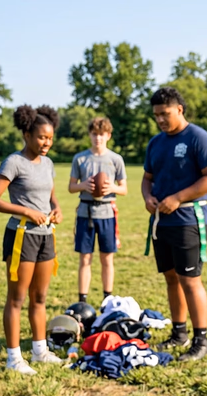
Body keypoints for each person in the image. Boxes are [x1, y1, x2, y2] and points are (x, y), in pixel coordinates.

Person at [142, 87, 207, 362]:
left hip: (189, 219)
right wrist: (147, 197)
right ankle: (179, 333)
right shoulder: (155, 142)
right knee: (171, 278)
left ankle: (201, 339)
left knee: (190, 279)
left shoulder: (198, 138)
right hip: (161, 221)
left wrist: (177, 197)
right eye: (156, 115)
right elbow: (147, 178)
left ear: (179, 109)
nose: (161, 120)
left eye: (165, 114)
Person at [0, 104, 64, 375]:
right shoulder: (14, 162)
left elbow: (50, 196)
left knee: (39, 297)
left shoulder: (49, 164)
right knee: (16, 298)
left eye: (50, 138)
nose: (47, 143)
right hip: (21, 236)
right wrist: (27, 211)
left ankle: (40, 351)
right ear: (27, 134)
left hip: (46, 236)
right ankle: (14, 358)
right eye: (42, 137)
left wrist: (57, 209)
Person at [68, 117, 127, 304]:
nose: (98, 138)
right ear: (89, 135)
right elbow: (71, 187)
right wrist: (83, 185)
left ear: (108, 136)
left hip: (107, 212)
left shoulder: (115, 159)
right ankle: (82, 299)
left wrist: (112, 188)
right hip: (85, 212)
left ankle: (107, 298)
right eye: (94, 134)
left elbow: (124, 188)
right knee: (85, 258)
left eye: (101, 135)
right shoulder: (81, 158)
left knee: (107, 258)